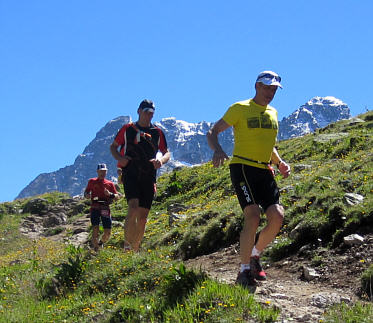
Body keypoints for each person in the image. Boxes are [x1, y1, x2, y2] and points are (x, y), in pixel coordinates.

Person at [206, 71, 291, 288]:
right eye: (267, 87)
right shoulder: (240, 108)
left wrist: (279, 162)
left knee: (277, 216)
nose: (271, 92)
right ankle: (243, 270)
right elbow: (213, 131)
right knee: (252, 216)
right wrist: (217, 150)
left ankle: (255, 255)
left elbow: (268, 143)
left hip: (265, 169)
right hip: (243, 167)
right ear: (257, 86)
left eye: (274, 89)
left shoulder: (273, 113)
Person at [110, 99, 170, 252]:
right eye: (146, 112)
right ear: (138, 111)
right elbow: (113, 147)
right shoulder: (127, 129)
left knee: (143, 218)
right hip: (131, 172)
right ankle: (127, 246)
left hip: (149, 175)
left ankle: (135, 249)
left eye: (151, 113)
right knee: (133, 207)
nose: (148, 116)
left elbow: (166, 152)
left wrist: (161, 161)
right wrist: (120, 159)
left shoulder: (157, 132)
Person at [84, 163, 120, 251]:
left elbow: (117, 197)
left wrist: (110, 194)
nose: (102, 173)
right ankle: (95, 249)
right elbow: (86, 192)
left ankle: (101, 243)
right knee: (95, 228)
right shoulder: (92, 181)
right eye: (101, 171)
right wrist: (87, 195)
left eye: (104, 171)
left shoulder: (110, 184)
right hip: (95, 206)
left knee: (108, 232)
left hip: (105, 207)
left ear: (106, 172)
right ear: (97, 171)